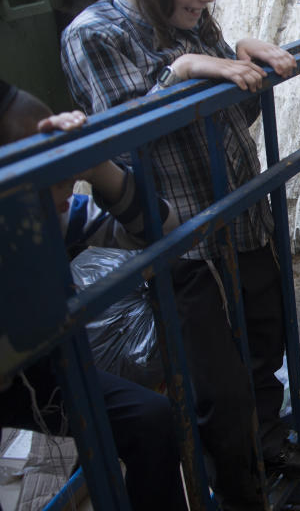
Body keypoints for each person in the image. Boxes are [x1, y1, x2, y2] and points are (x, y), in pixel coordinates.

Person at [59, 0, 300, 510]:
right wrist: (181, 72)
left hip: (242, 217)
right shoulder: (93, 35)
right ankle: (240, 492)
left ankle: (268, 443)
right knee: (218, 387)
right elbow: (127, 146)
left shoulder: (192, 16)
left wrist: (244, 65)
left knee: (268, 339)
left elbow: (228, 121)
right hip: (182, 242)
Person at [0, 81, 187, 511]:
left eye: (61, 157)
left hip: (34, 372)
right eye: (44, 164)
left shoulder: (56, 217)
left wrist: (97, 165)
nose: (65, 175)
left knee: (152, 419)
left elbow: (162, 227)